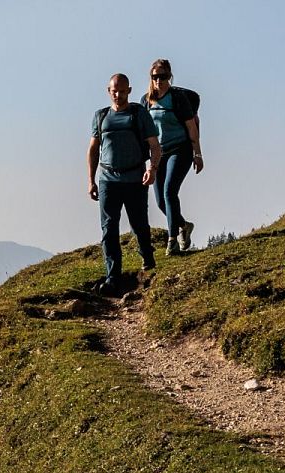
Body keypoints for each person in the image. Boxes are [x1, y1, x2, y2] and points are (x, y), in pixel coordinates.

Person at [87, 73, 162, 295]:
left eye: (122, 91)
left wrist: (153, 170)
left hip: (135, 178)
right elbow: (93, 149)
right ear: (108, 91)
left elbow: (155, 146)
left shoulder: (139, 114)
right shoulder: (101, 116)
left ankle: (147, 259)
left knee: (139, 225)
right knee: (108, 229)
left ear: (129, 91)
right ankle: (112, 277)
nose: (118, 95)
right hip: (107, 180)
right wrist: (91, 181)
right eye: (114, 91)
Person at [145, 58, 203, 252]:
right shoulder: (146, 101)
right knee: (161, 201)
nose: (159, 80)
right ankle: (184, 226)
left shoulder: (177, 98)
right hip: (159, 153)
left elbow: (191, 126)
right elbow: (144, 133)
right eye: (155, 77)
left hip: (181, 149)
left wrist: (197, 153)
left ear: (169, 76)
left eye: (163, 76)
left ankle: (172, 240)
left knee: (170, 191)